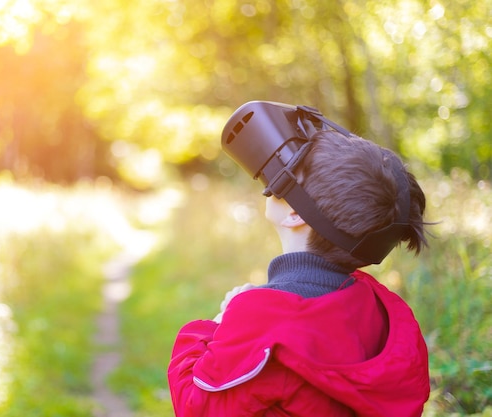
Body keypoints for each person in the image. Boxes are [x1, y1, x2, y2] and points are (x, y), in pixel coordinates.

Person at [167, 101, 430, 417]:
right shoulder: (380, 310)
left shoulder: (259, 318)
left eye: (290, 169)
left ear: (294, 213)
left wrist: (215, 327)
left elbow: (197, 405)